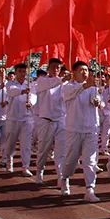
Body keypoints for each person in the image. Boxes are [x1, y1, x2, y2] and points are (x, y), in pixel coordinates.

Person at [60, 61, 103, 202]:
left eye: (86, 70)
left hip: (91, 129)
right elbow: (72, 94)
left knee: (90, 161)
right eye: (81, 70)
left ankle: (90, 189)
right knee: (70, 160)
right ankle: (64, 178)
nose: (85, 73)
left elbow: (100, 102)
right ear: (74, 72)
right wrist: (86, 86)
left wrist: (98, 102)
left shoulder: (92, 88)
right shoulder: (67, 87)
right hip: (74, 129)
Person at [33, 58, 67, 187]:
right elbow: (52, 84)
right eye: (53, 67)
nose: (56, 70)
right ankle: (39, 171)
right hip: (46, 120)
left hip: (61, 120)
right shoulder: (42, 81)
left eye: (58, 67)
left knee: (61, 152)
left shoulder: (64, 83)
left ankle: (62, 178)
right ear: (48, 69)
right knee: (43, 149)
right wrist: (62, 80)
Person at [3, 63, 37, 175]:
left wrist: (30, 102)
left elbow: (34, 96)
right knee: (10, 143)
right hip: (13, 118)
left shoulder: (30, 84)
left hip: (27, 118)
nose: (22, 74)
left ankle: (25, 167)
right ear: (16, 72)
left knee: (26, 144)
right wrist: (22, 91)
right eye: (20, 71)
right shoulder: (10, 84)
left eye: (24, 71)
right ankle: (9, 161)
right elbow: (11, 92)